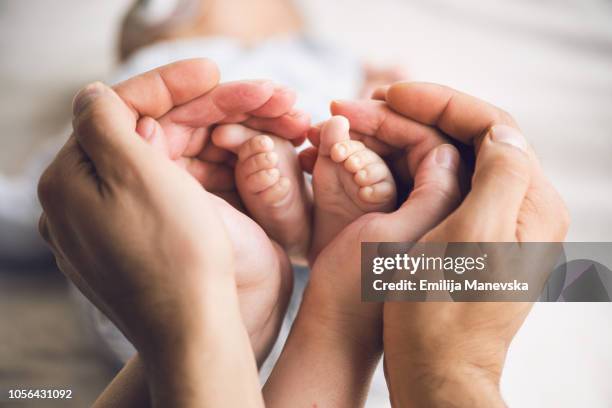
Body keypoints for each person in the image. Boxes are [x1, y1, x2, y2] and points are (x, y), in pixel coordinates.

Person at [38, 58, 568, 406]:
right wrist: (348, 322)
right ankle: (315, 239)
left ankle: (308, 231)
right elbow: (588, 276)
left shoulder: (318, 55)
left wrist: (197, 320)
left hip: (167, 238)